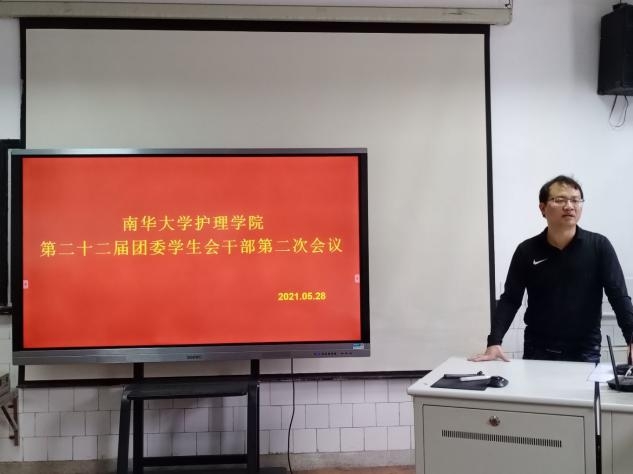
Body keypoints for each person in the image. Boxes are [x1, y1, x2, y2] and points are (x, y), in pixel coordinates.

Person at [470, 175, 633, 363]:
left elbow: (619, 296)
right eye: (560, 200)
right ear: (542, 208)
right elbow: (510, 299)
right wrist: (494, 341)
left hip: (584, 349)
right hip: (538, 348)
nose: (569, 206)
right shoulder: (526, 250)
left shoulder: (599, 246)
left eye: (575, 200)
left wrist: (631, 338)